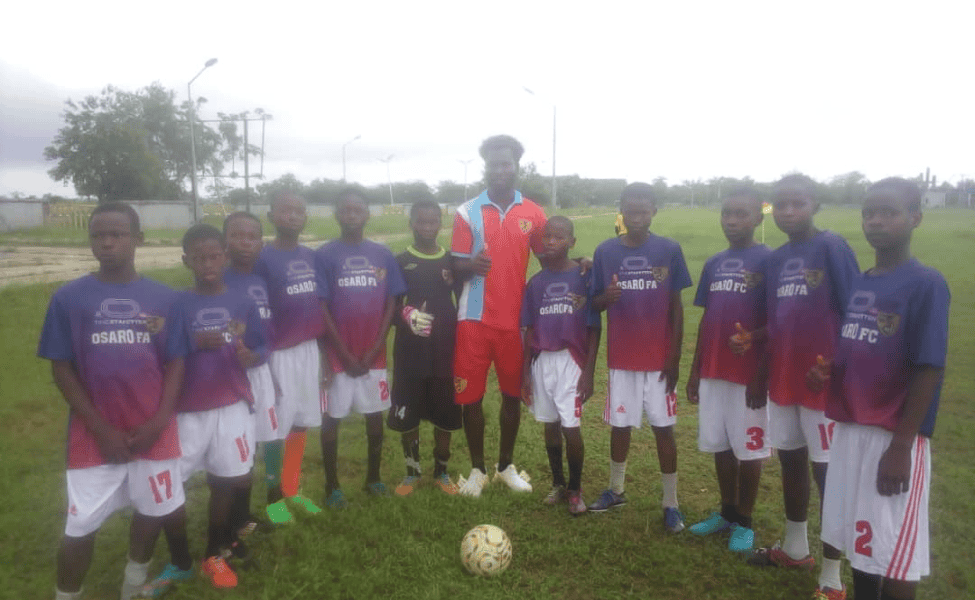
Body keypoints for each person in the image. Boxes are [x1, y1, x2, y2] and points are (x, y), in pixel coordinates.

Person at [38, 202, 191, 600]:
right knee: (80, 526)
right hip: (94, 435)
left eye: (117, 234)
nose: (106, 242)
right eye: (98, 235)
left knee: (152, 508)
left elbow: (176, 362)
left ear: (138, 239)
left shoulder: (164, 298)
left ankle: (133, 581)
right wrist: (102, 429)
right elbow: (61, 368)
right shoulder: (69, 298)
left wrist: (160, 421)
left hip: (152, 428)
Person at [810, 178, 949, 600]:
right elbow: (863, 348)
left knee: (893, 556)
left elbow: (929, 368)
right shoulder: (861, 281)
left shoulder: (926, 283)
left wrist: (901, 447)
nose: (876, 221)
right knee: (861, 546)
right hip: (850, 430)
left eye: (889, 212)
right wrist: (830, 373)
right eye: (869, 212)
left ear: (915, 218)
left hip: (891, 437)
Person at [747, 174, 859, 600]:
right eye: (781, 205)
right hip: (785, 379)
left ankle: (831, 576)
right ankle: (795, 549)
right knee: (791, 462)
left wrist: (839, 367)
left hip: (822, 382)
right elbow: (776, 323)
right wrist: (761, 372)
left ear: (815, 205)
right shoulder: (776, 260)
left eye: (798, 203)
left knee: (827, 473)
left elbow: (855, 311)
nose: (788, 212)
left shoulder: (832, 247)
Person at [166, 223, 267, 589]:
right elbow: (163, 353)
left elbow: (262, 347)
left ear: (224, 257)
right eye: (198, 258)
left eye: (213, 256)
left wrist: (250, 355)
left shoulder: (242, 301)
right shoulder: (177, 304)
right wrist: (193, 341)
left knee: (227, 480)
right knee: (170, 482)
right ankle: (178, 558)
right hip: (188, 408)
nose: (207, 264)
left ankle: (213, 552)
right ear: (186, 261)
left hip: (231, 403)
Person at [589, 183, 692, 532]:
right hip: (622, 359)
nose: (637, 216)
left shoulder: (669, 249)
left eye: (643, 209)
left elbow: (677, 309)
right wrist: (608, 296)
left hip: (659, 361)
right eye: (630, 210)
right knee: (620, 426)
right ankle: (616, 489)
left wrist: (674, 358)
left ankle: (671, 503)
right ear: (621, 211)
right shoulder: (605, 252)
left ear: (653, 211)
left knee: (665, 430)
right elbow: (594, 303)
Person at [451, 134, 548, 497]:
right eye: (494, 164)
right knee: (471, 398)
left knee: (512, 396)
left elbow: (547, 257)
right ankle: (477, 470)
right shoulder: (467, 211)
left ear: (516, 166)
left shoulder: (533, 213)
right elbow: (455, 262)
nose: (500, 169)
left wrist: (579, 264)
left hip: (514, 322)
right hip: (473, 319)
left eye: (506, 163)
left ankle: (505, 466)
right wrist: (468, 264)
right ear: (486, 167)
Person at [685, 188, 771, 553]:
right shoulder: (715, 262)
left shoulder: (770, 260)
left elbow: (781, 320)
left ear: (758, 219)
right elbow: (707, 318)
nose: (732, 221)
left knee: (749, 449)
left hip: (749, 375)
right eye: (726, 213)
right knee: (720, 444)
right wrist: (694, 371)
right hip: (713, 370)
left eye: (741, 214)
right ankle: (727, 512)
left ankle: (746, 522)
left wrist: (760, 372)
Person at [316, 187, 406, 507]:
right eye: (346, 210)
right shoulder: (324, 255)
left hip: (373, 356)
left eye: (358, 210)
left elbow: (392, 301)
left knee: (373, 416)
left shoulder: (381, 255)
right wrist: (341, 351)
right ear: (337, 215)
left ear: (367, 215)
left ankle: (373, 477)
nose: (352, 215)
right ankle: (332, 485)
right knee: (332, 419)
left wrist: (374, 348)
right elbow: (321, 306)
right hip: (337, 356)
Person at [254, 192, 328, 523]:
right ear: (271, 215)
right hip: (278, 355)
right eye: (286, 210)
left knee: (300, 421)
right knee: (275, 427)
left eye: (300, 211)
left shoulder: (312, 257)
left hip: (309, 350)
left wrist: (324, 356)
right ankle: (273, 498)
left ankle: (292, 487)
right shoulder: (261, 259)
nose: (294, 216)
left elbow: (322, 307)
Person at [520, 216, 601, 515]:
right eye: (547, 237)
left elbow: (594, 328)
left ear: (572, 242)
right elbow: (528, 331)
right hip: (542, 361)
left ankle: (575, 490)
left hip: (571, 361)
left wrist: (589, 372)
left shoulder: (584, 277)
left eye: (558, 237)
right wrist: (525, 374)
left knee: (571, 426)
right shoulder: (536, 283)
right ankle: (557, 482)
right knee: (550, 424)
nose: (551, 242)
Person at [388, 200, 463, 496]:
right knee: (409, 410)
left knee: (445, 412)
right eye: (421, 222)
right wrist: (406, 315)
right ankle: (412, 472)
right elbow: (391, 307)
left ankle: (441, 472)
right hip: (410, 351)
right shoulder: (401, 260)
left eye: (433, 222)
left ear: (440, 224)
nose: (427, 228)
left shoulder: (452, 261)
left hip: (445, 349)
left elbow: (466, 297)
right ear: (412, 224)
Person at [222, 212, 279, 537]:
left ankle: (243, 516)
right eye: (237, 235)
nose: (245, 242)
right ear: (225, 240)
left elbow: (268, 333)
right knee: (235, 447)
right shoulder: (221, 280)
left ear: (261, 242)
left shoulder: (260, 281)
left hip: (260, 372)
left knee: (257, 445)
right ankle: (230, 516)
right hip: (231, 377)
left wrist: (260, 355)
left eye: (252, 236)